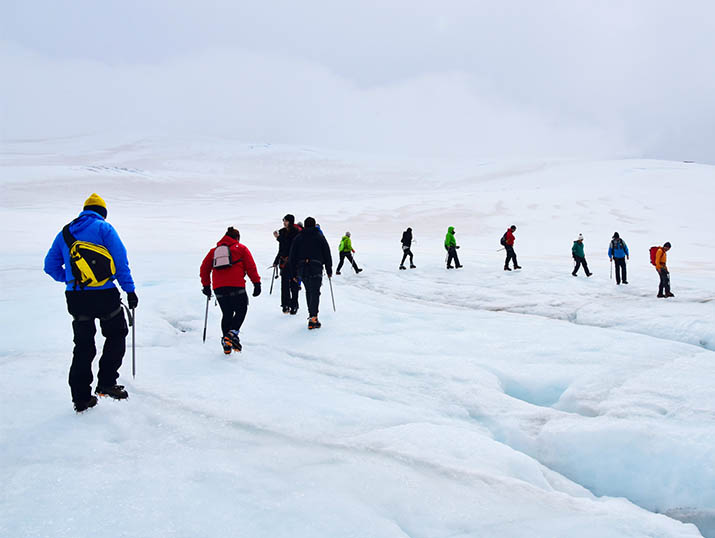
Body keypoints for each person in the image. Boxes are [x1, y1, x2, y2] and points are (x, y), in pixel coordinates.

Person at [44, 194, 137, 413]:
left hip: (76, 297)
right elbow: (121, 261)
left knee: (83, 346)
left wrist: (70, 279)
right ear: (102, 212)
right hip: (105, 294)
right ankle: (106, 382)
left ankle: (81, 398)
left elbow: (50, 266)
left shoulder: (65, 233)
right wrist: (129, 290)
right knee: (116, 334)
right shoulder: (104, 229)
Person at [200, 227, 261, 354]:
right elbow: (251, 267)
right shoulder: (241, 249)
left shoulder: (214, 251)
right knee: (241, 309)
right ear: (237, 238)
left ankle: (226, 344)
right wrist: (256, 283)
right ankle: (232, 334)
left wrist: (206, 286)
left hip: (219, 288)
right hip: (236, 285)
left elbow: (204, 268)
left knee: (227, 314)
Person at [288, 217, 333, 329]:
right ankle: (313, 317)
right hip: (316, 267)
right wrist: (329, 269)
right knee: (315, 292)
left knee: (309, 291)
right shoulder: (320, 237)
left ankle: (312, 316)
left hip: (302, 268)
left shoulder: (298, 238)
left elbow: (292, 256)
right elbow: (327, 253)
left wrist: (293, 273)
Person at [273, 214, 302, 314]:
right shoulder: (283, 232)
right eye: (284, 221)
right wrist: (276, 260)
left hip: (294, 261)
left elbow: (290, 244)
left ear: (290, 221)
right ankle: (285, 304)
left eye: (285, 221)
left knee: (294, 283)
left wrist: (278, 238)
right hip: (284, 261)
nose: (284, 222)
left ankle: (294, 305)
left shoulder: (296, 232)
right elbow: (281, 249)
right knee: (284, 284)